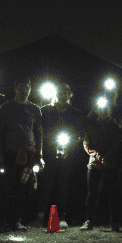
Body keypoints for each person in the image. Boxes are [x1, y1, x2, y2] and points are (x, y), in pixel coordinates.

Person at [0, 77, 42, 231]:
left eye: (27, 87)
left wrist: (39, 155)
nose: (24, 90)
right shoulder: (5, 108)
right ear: (15, 88)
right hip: (9, 154)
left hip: (28, 155)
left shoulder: (35, 109)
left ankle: (17, 220)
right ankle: (2, 220)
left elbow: (39, 134)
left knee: (22, 188)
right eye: (21, 87)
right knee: (5, 188)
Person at [34, 83, 85, 229]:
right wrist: (42, 151)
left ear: (70, 94)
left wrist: (71, 148)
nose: (64, 94)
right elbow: (39, 132)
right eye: (61, 92)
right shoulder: (45, 110)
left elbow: (80, 133)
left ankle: (62, 216)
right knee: (46, 185)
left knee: (64, 186)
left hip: (67, 155)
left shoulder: (75, 112)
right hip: (48, 154)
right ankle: (40, 216)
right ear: (56, 93)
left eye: (66, 92)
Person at [81, 94, 122, 231]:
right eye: (100, 108)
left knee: (113, 193)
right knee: (92, 193)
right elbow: (86, 142)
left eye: (106, 108)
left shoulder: (115, 125)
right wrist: (94, 154)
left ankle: (115, 222)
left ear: (109, 110)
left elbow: (117, 144)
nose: (103, 111)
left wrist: (106, 156)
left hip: (110, 164)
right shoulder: (91, 126)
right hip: (94, 163)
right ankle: (89, 220)